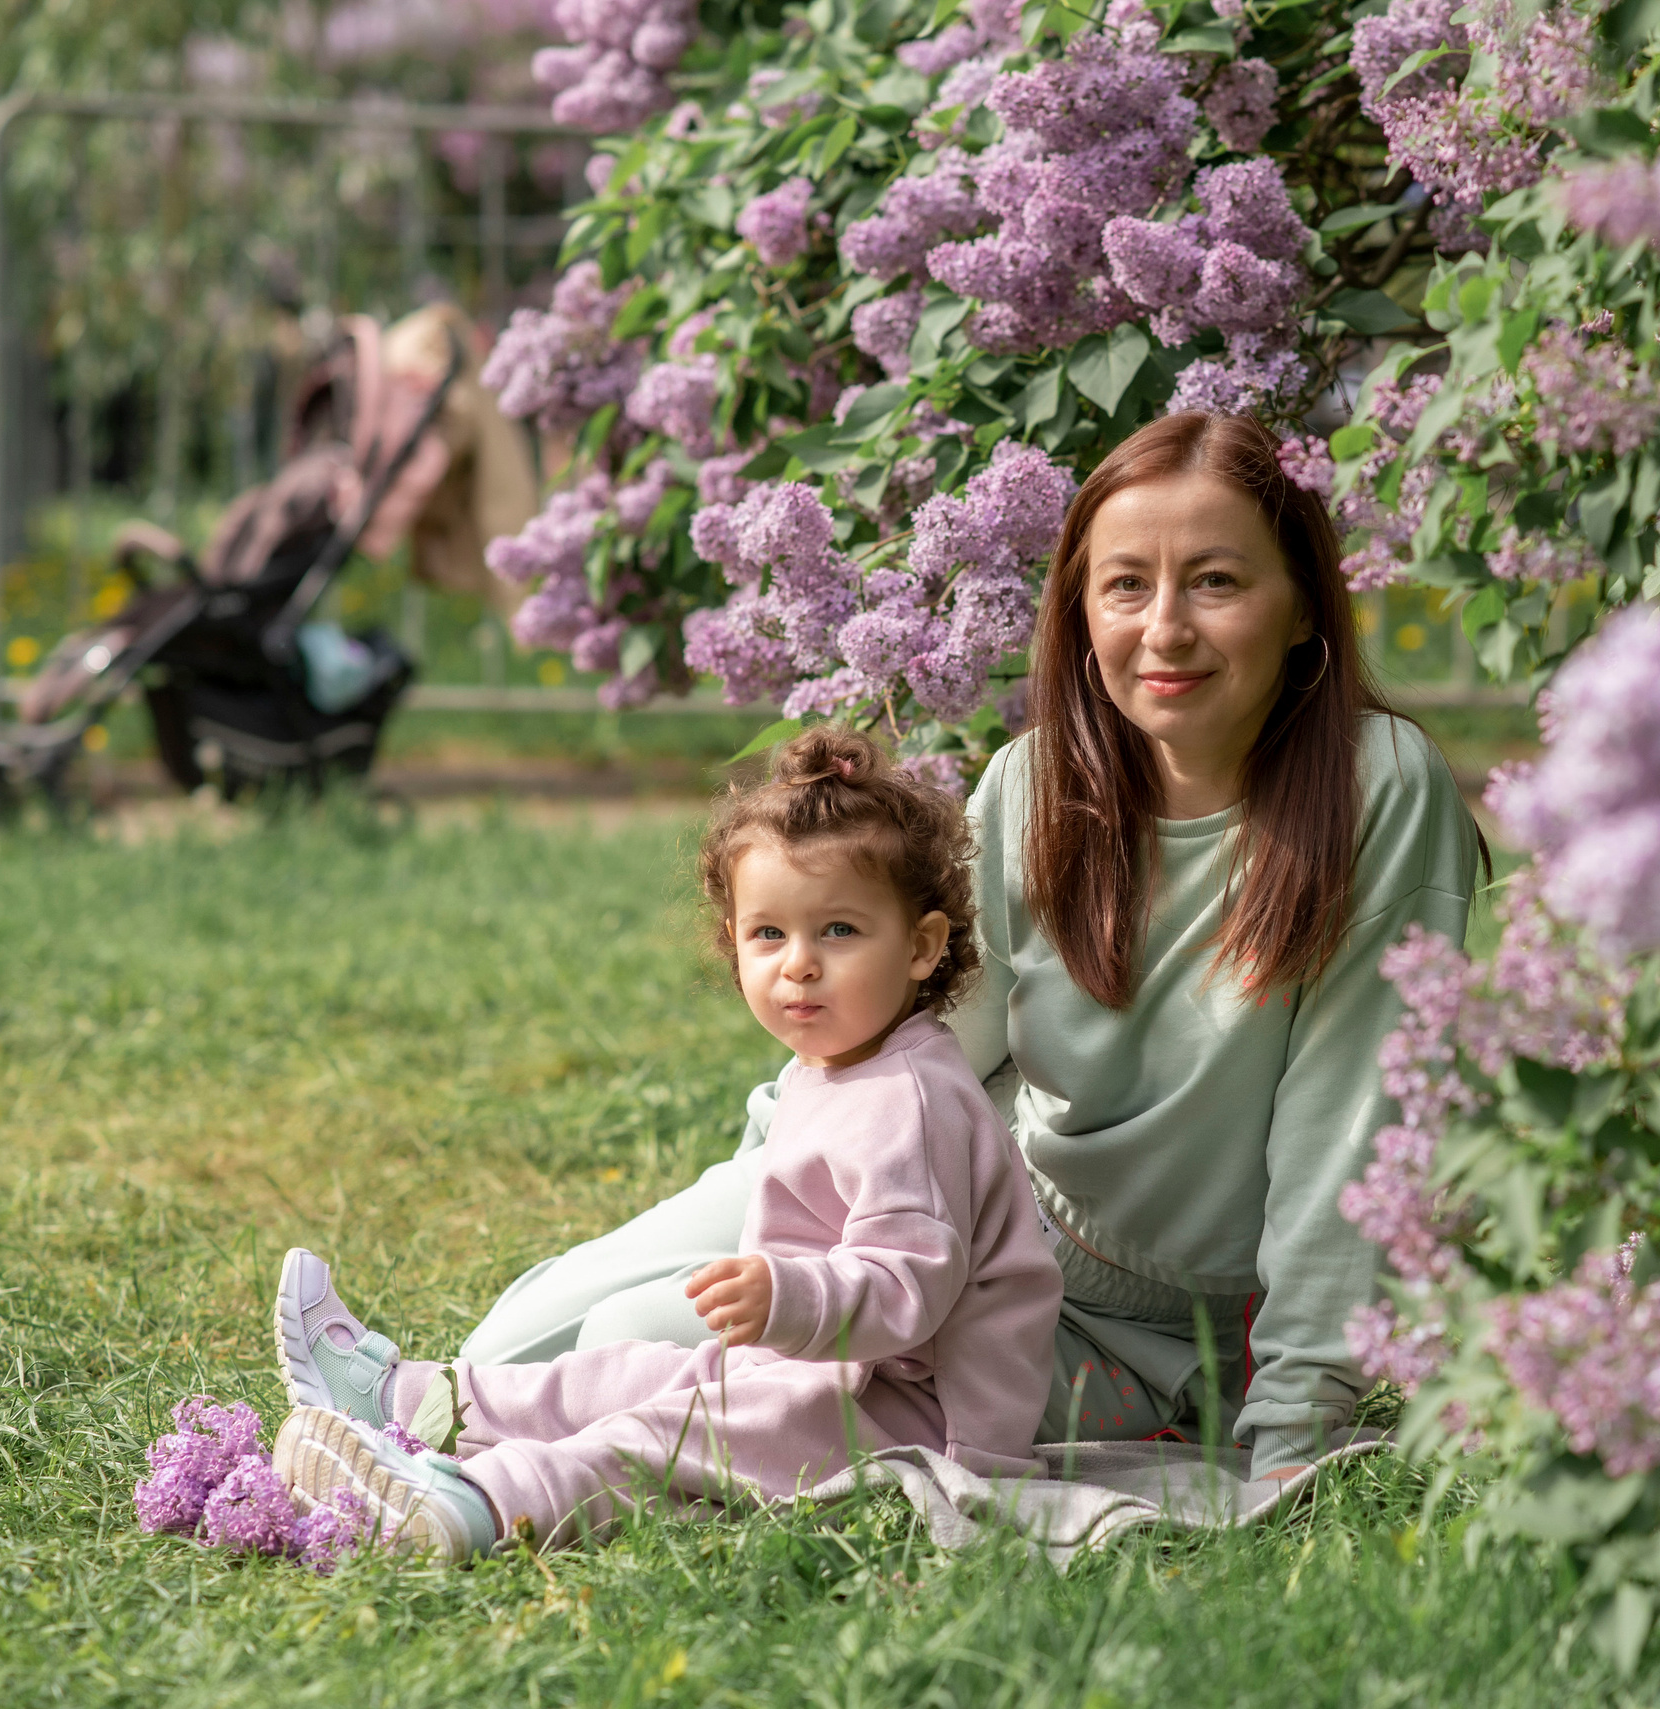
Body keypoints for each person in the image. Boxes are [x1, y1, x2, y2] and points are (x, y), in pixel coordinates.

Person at [456, 411, 1485, 1480]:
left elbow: (1348, 1127)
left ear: (1306, 608)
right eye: (1126, 585)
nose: (1164, 628)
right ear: (1082, 611)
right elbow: (920, 1039)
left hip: (1117, 1322)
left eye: (1216, 581)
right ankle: (403, 1425)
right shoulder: (1037, 782)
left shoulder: (1376, 785)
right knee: (527, 1345)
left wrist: (1297, 1425)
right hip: (939, 1191)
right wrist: (784, 1163)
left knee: (658, 1353)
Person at [266, 729, 1063, 1558]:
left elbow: (910, 1284)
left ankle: (471, 1508)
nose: (799, 965)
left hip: (922, 1420)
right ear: (733, 940)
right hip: (823, 1371)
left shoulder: (912, 1097)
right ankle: (406, 1401)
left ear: (923, 947)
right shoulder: (838, 1064)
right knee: (627, 1374)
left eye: (838, 930)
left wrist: (787, 1297)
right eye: (767, 935)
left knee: (660, 1434)